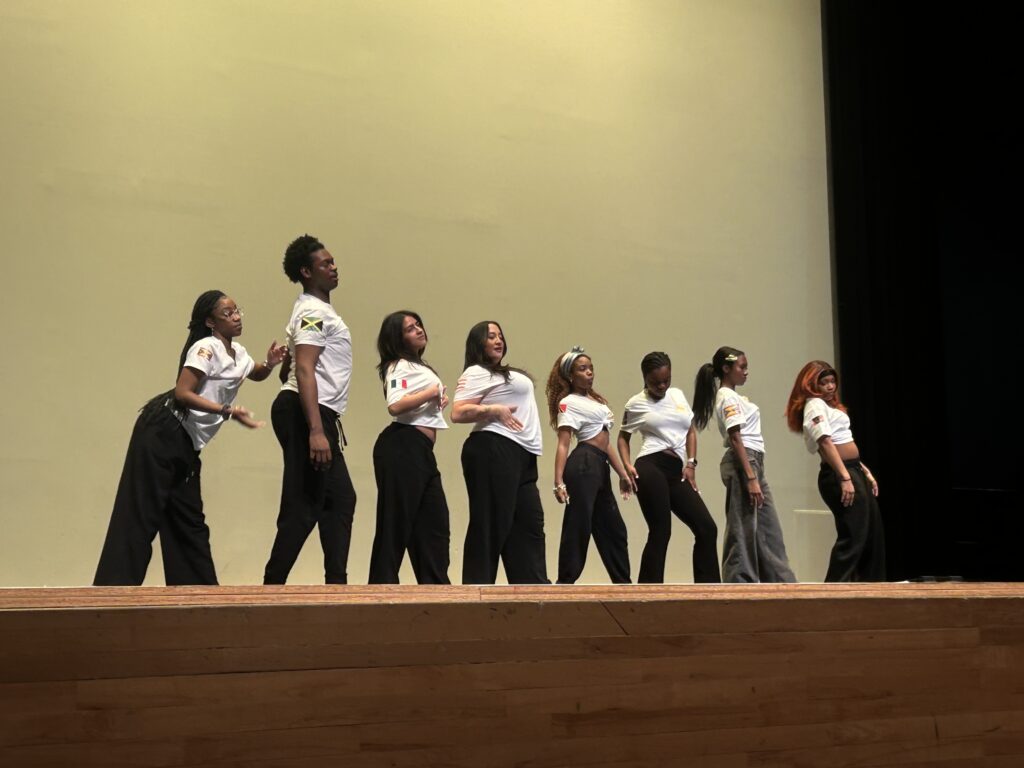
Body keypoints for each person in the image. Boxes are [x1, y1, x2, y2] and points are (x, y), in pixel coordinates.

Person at [94, 290, 286, 586]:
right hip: (162, 432)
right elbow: (183, 393)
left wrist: (270, 363)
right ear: (210, 321)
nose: (236, 317)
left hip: (185, 445)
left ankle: (197, 594)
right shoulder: (205, 348)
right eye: (227, 313)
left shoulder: (238, 353)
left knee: (189, 521)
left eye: (237, 311)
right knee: (140, 515)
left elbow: (254, 372)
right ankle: (111, 594)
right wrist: (227, 410)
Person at [263, 234, 356, 585]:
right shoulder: (313, 311)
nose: (334, 268)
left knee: (340, 499)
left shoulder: (313, 310)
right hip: (309, 414)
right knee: (304, 504)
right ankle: (271, 588)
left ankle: (336, 587)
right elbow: (303, 368)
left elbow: (294, 365)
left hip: (314, 410)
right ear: (306, 271)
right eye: (325, 264)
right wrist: (316, 430)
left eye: (333, 262)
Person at [451, 321, 549, 584]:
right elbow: (458, 412)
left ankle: (533, 592)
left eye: (501, 336)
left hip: (522, 454)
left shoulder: (501, 373)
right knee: (490, 524)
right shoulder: (476, 371)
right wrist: (493, 410)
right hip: (492, 447)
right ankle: (477, 593)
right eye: (491, 336)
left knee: (529, 525)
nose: (498, 340)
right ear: (478, 343)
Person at [692, 346, 796, 583]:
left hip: (754, 462)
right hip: (744, 462)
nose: (746, 372)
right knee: (742, 526)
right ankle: (738, 583)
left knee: (768, 527)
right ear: (726, 369)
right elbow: (736, 435)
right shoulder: (727, 396)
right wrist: (750, 477)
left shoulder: (735, 396)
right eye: (742, 367)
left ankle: (781, 581)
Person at [618, 352, 720, 583]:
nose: (662, 386)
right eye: (656, 382)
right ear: (645, 378)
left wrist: (691, 464)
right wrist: (626, 466)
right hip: (650, 465)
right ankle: (648, 592)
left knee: (706, 527)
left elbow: (691, 431)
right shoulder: (636, 403)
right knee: (661, 530)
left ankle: (708, 591)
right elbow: (623, 438)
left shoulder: (676, 395)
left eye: (666, 380)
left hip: (676, 470)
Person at [368, 311, 451, 584]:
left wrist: (435, 400)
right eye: (409, 328)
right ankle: (381, 590)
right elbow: (395, 405)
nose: (419, 330)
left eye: (418, 325)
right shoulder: (398, 365)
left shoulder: (418, 366)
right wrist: (431, 393)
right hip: (402, 446)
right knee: (395, 522)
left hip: (420, 451)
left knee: (434, 523)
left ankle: (436, 588)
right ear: (397, 338)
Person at [785, 360, 885, 581]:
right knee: (854, 534)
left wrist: (863, 470)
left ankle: (870, 588)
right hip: (839, 474)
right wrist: (845, 477)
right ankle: (833, 592)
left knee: (871, 533)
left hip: (852, 471)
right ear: (812, 384)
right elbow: (825, 443)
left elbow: (844, 441)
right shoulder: (814, 405)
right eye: (824, 382)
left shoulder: (830, 407)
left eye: (832, 381)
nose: (830, 386)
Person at [546, 346, 631, 584]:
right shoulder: (568, 402)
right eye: (582, 369)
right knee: (579, 523)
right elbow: (563, 443)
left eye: (591, 368)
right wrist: (558, 481)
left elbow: (607, 443)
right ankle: (565, 582)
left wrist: (622, 474)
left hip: (599, 464)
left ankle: (623, 583)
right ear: (570, 376)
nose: (589, 372)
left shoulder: (595, 400)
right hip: (583, 463)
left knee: (614, 528)